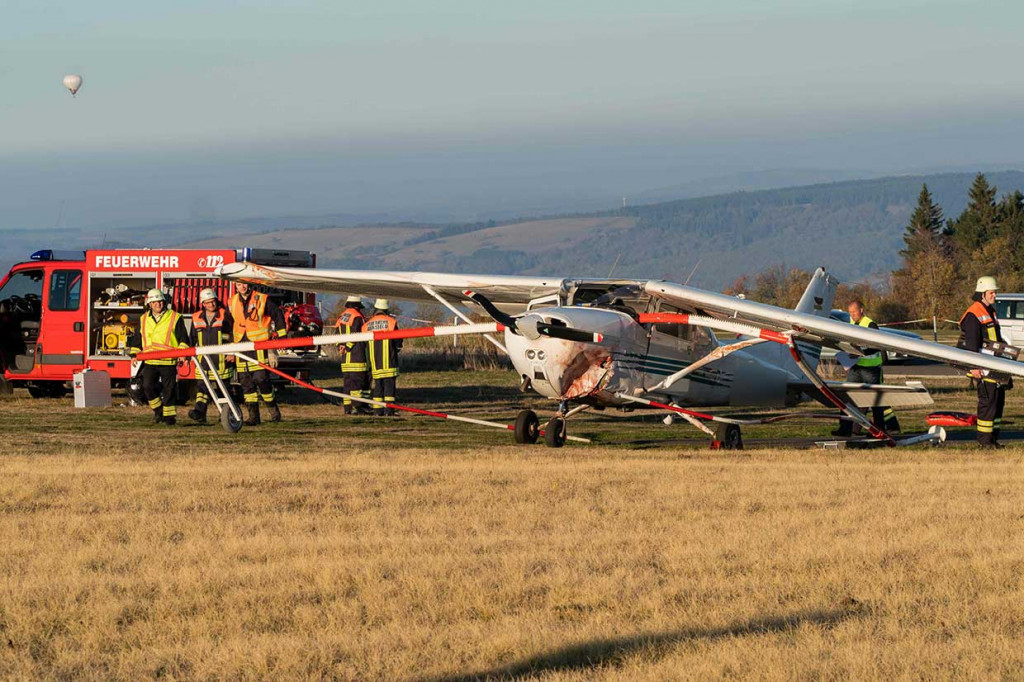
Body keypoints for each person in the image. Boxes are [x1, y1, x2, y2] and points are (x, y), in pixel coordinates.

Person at [833, 300, 900, 436]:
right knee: (847, 397)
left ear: (862, 310)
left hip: (871, 369)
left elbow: (876, 346)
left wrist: (859, 352)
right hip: (856, 368)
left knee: (874, 400)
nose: (852, 315)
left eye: (855, 312)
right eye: (850, 312)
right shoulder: (852, 323)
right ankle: (845, 428)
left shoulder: (870, 324)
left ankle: (879, 429)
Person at [128, 289, 190, 425]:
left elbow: (183, 339)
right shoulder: (143, 319)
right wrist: (134, 355)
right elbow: (138, 339)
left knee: (170, 389)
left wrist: (182, 355)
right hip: (150, 360)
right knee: (147, 386)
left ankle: (169, 418)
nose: (158, 304)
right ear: (149, 304)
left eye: (160, 301)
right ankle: (158, 410)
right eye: (155, 302)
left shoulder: (175, 317)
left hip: (168, 360)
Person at [228, 281, 286, 425]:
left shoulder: (261, 298)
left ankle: (274, 412)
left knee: (261, 380)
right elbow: (228, 326)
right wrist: (229, 348)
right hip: (241, 345)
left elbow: (277, 315)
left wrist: (282, 338)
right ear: (235, 286)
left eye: (245, 284)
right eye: (239, 284)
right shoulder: (232, 301)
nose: (243, 287)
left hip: (259, 346)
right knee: (246, 383)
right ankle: (253, 417)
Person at [960, 276, 1008, 448]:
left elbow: (997, 338)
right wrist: (974, 367)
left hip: (994, 364)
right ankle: (984, 442)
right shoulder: (974, 314)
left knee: (997, 403)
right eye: (992, 292)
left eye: (995, 292)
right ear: (982, 294)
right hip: (983, 368)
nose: (995, 295)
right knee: (987, 405)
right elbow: (972, 343)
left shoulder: (990, 311)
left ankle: (993, 440)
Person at [187, 288, 234, 423]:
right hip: (204, 361)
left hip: (222, 360)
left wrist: (231, 352)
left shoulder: (225, 315)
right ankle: (199, 412)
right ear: (203, 304)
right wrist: (188, 354)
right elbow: (192, 338)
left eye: (212, 302)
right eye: (207, 303)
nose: (211, 305)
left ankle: (226, 415)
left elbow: (231, 335)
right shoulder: (196, 317)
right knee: (202, 388)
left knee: (223, 389)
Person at [365, 298, 402, 416]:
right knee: (389, 388)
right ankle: (389, 411)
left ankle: (377, 411)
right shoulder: (391, 322)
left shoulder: (367, 324)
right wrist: (396, 349)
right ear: (386, 310)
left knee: (378, 387)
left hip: (375, 362)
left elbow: (364, 343)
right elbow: (398, 341)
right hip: (389, 362)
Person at [336, 295, 370, 415]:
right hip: (357, 355)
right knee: (358, 382)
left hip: (345, 358)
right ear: (357, 305)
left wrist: (340, 346)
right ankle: (358, 406)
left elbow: (336, 334)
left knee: (348, 383)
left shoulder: (341, 317)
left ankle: (347, 408)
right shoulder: (357, 316)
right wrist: (348, 346)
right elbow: (357, 333)